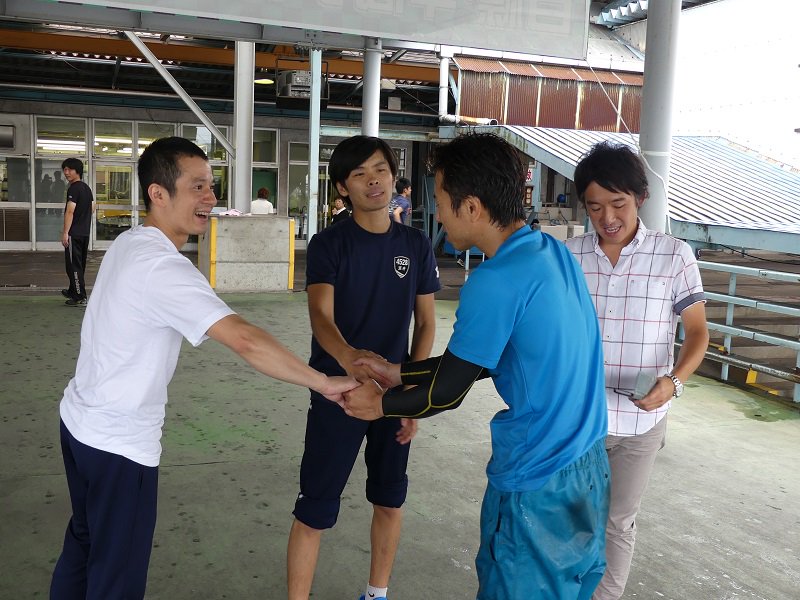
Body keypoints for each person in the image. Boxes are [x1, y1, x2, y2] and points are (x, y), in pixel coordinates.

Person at [49, 137, 358, 600]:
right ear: (158, 194)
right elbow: (246, 339)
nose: (210, 199)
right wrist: (324, 382)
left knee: (85, 541)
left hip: (79, 424)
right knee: (117, 574)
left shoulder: (129, 243)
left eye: (211, 186)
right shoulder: (162, 267)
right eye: (197, 187)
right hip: (118, 444)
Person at [343, 132, 610, 600]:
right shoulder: (551, 254)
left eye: (442, 200)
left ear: (471, 207)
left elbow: (448, 390)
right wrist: (399, 372)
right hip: (587, 463)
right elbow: (492, 359)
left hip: (538, 477)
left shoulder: (495, 279)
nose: (438, 214)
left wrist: (378, 404)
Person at [286, 135, 440, 600]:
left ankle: (377, 593)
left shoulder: (415, 244)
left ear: (394, 177)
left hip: (392, 397)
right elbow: (321, 316)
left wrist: (411, 394)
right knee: (314, 509)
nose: (374, 180)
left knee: (390, 500)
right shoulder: (329, 244)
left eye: (381, 169)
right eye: (360, 174)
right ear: (342, 188)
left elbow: (427, 322)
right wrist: (349, 359)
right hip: (339, 393)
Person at [564, 142, 709, 600]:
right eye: (595, 206)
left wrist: (675, 382)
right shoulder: (567, 257)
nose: (608, 216)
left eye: (618, 203)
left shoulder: (674, 255)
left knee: (617, 521)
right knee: (570, 515)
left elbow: (698, 332)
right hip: (577, 417)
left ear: (640, 196)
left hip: (639, 422)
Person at [60, 158, 94, 307]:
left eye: (69, 170)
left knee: (73, 266)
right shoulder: (86, 188)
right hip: (84, 233)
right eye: (65, 169)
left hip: (75, 233)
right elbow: (93, 207)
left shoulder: (74, 188)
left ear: (77, 171)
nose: (66, 173)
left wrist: (65, 232)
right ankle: (73, 291)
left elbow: (70, 211)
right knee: (78, 265)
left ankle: (80, 296)